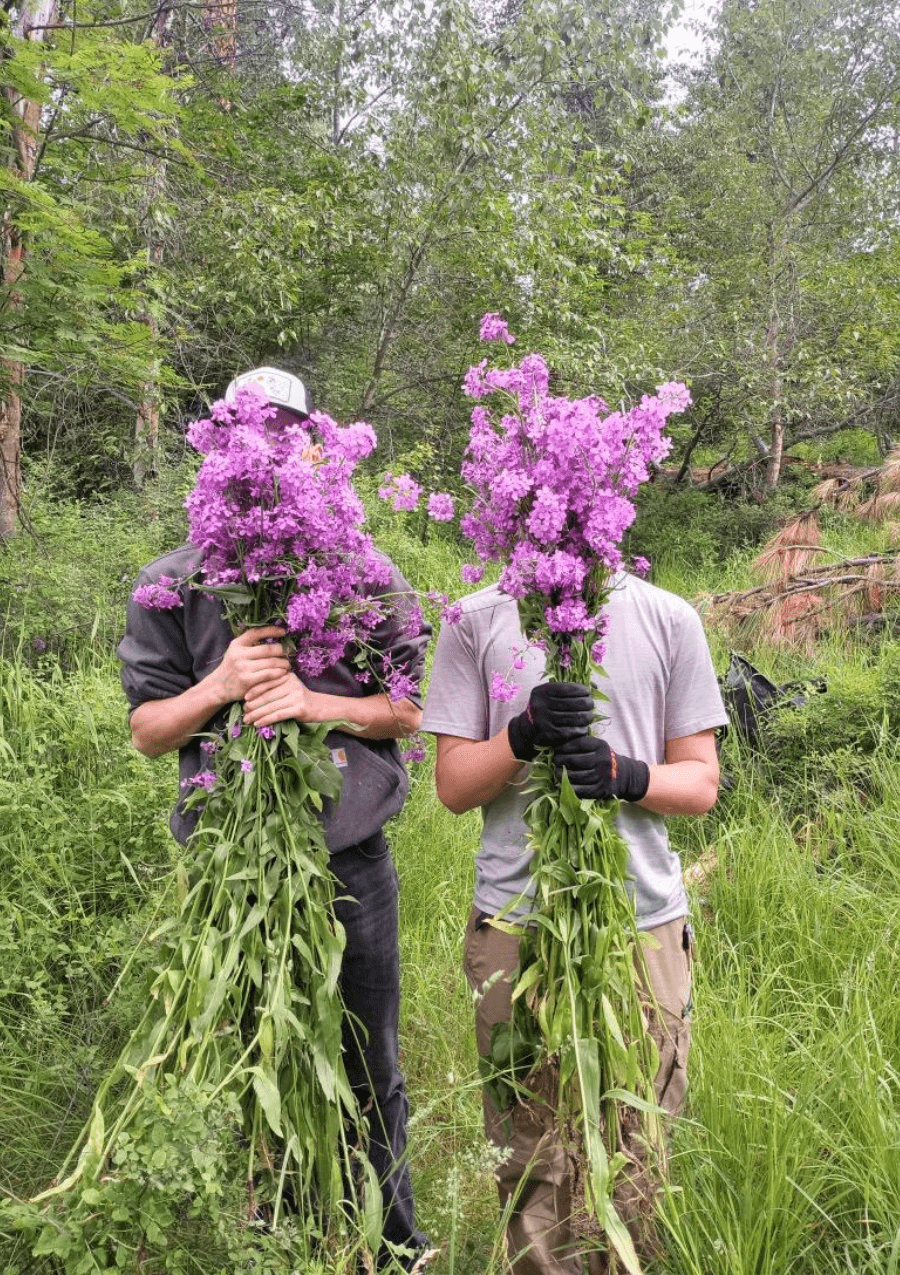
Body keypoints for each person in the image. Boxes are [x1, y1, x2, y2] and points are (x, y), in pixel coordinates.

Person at [118, 367, 432, 1273]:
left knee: (369, 1056)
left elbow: (409, 710)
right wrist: (220, 686)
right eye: (246, 432)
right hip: (234, 862)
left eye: (289, 431)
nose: (268, 446)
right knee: (262, 1043)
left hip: (348, 859)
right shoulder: (172, 581)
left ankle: (395, 1241)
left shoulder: (362, 570)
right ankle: (289, 1234)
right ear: (217, 449)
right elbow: (147, 731)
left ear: (314, 447)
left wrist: (309, 702)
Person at [420, 567, 728, 1274]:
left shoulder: (667, 615)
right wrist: (521, 732)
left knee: (635, 1136)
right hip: (516, 925)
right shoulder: (475, 616)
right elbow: (453, 785)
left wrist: (628, 775)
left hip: (641, 923)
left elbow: (702, 780)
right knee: (530, 1148)